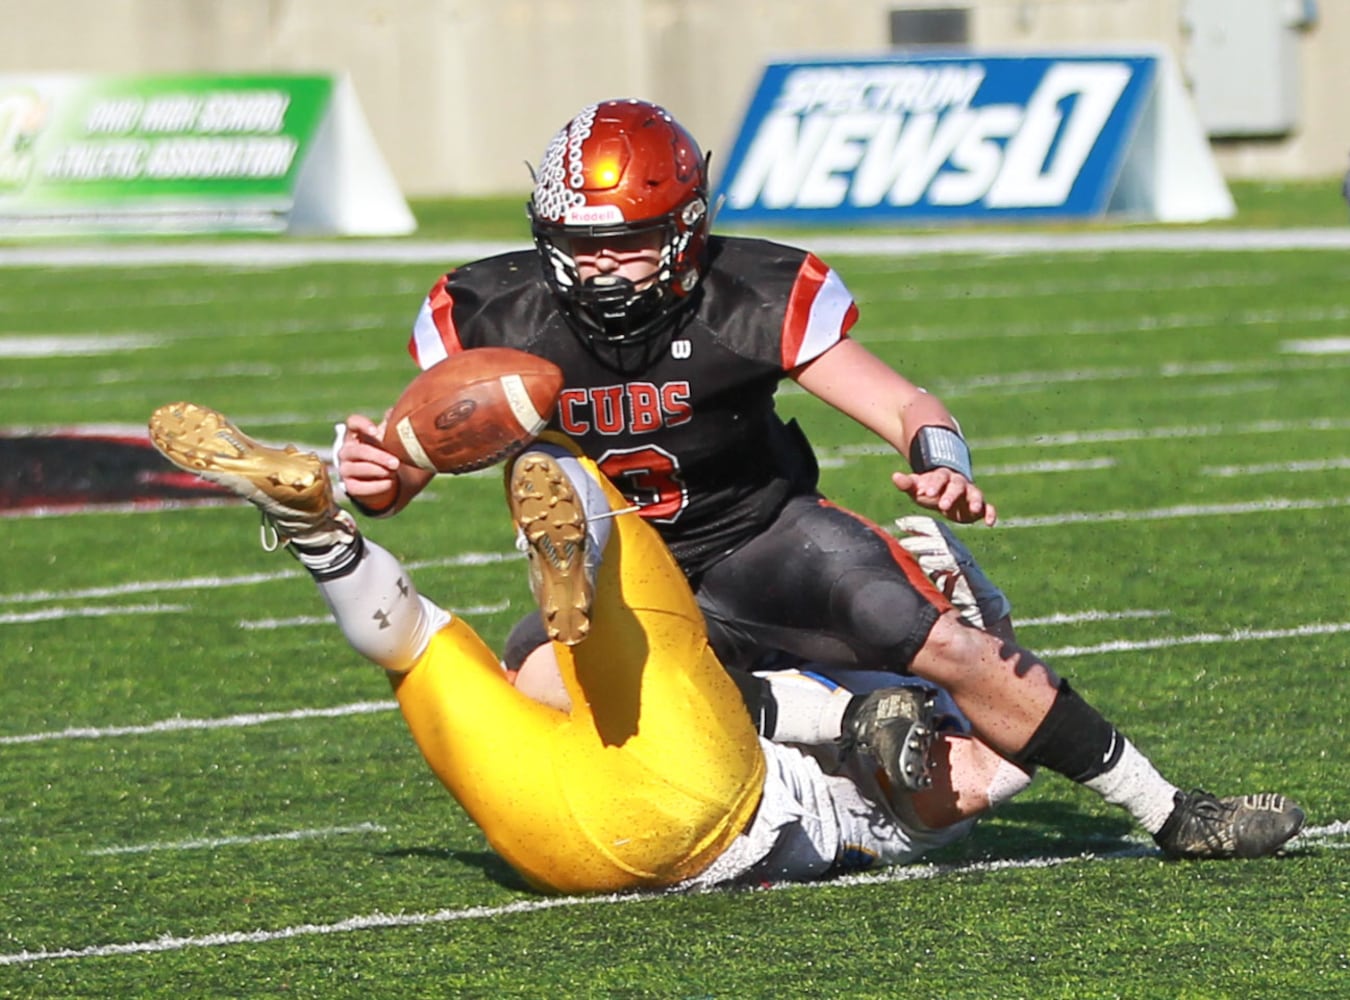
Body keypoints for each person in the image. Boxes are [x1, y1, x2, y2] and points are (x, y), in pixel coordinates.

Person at [336, 98, 1305, 860]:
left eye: (627, 243)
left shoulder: (749, 294)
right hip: (624, 569)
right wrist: (374, 470)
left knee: (937, 639)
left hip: (762, 538)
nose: (604, 272)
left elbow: (905, 406)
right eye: (581, 247)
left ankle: (1171, 809)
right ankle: (846, 717)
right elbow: (394, 482)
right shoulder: (488, 308)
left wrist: (943, 466)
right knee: (542, 683)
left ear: (686, 229)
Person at [146, 401, 1034, 892]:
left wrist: (965, 631)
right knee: (418, 648)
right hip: (580, 848)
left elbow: (993, 763)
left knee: (549, 531)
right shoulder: (917, 747)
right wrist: (976, 616)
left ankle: (536, 482)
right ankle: (322, 538)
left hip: (683, 805)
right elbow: (999, 747)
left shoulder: (934, 744)